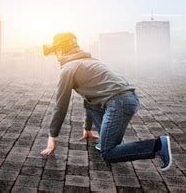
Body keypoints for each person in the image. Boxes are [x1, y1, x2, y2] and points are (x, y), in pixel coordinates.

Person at [39, 32, 172, 171]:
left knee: (108, 153)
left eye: (55, 52)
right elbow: (90, 101)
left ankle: (158, 145)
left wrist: (52, 137)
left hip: (118, 102)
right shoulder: (91, 61)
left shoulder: (68, 69)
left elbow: (61, 106)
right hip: (127, 98)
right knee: (97, 119)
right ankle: (106, 140)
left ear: (60, 50)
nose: (56, 57)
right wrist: (87, 128)